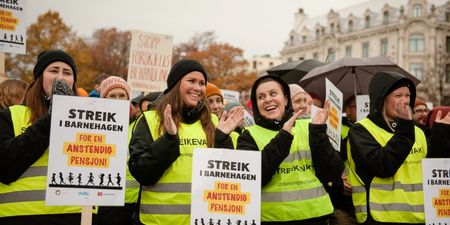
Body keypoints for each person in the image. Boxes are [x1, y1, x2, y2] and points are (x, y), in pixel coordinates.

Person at [128, 59, 242, 225]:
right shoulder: (150, 119)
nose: (198, 88)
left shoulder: (214, 122)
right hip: (158, 221)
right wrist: (168, 139)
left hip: (203, 220)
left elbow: (228, 178)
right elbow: (142, 173)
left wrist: (222, 138)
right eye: (192, 81)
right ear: (175, 84)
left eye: (202, 83)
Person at [237, 74, 344, 225]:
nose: (268, 99)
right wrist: (284, 136)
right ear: (256, 104)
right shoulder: (248, 136)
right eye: (261, 97)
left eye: (273, 93)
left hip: (317, 216)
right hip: (273, 219)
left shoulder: (311, 126)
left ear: (286, 99)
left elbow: (332, 172)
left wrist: (318, 133)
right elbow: (252, 180)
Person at [0, 50, 91, 225]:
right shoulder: (11, 115)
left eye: (67, 73)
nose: (61, 77)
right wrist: (53, 118)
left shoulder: (87, 120)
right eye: (53, 70)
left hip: (71, 215)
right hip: (19, 216)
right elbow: (5, 167)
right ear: (40, 78)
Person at [347, 71, 450, 225]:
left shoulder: (417, 132)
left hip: (420, 217)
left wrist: (441, 137)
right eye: (398, 96)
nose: (405, 101)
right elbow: (383, 166)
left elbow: (432, 172)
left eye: (407, 96)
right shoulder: (361, 130)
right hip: (381, 218)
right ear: (382, 99)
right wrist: (405, 130)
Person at [97, 75, 138, 225]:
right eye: (112, 96)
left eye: (122, 96)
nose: (118, 100)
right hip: (101, 200)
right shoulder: (93, 125)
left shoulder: (138, 126)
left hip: (130, 202)